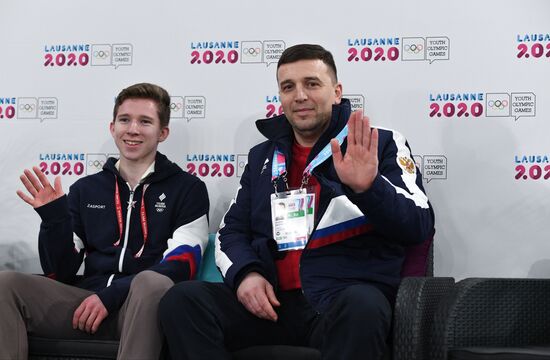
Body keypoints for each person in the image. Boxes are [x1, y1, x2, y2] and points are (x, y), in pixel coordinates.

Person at [159, 44, 434, 359]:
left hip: (340, 301)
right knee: (182, 301)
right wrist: (246, 274)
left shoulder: (378, 143)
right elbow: (230, 231)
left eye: (312, 84)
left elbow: (419, 225)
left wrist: (369, 188)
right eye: (288, 87)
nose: (300, 95)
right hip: (273, 304)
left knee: (364, 304)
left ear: (336, 92)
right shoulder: (263, 155)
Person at [0, 83, 209, 359]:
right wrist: (54, 219)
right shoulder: (86, 189)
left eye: (145, 121)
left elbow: (183, 263)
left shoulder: (188, 188)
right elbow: (59, 271)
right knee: (6, 284)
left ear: (162, 132)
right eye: (125, 120)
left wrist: (111, 296)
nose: (132, 129)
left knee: (152, 283)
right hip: (85, 304)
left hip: (141, 306)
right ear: (113, 128)